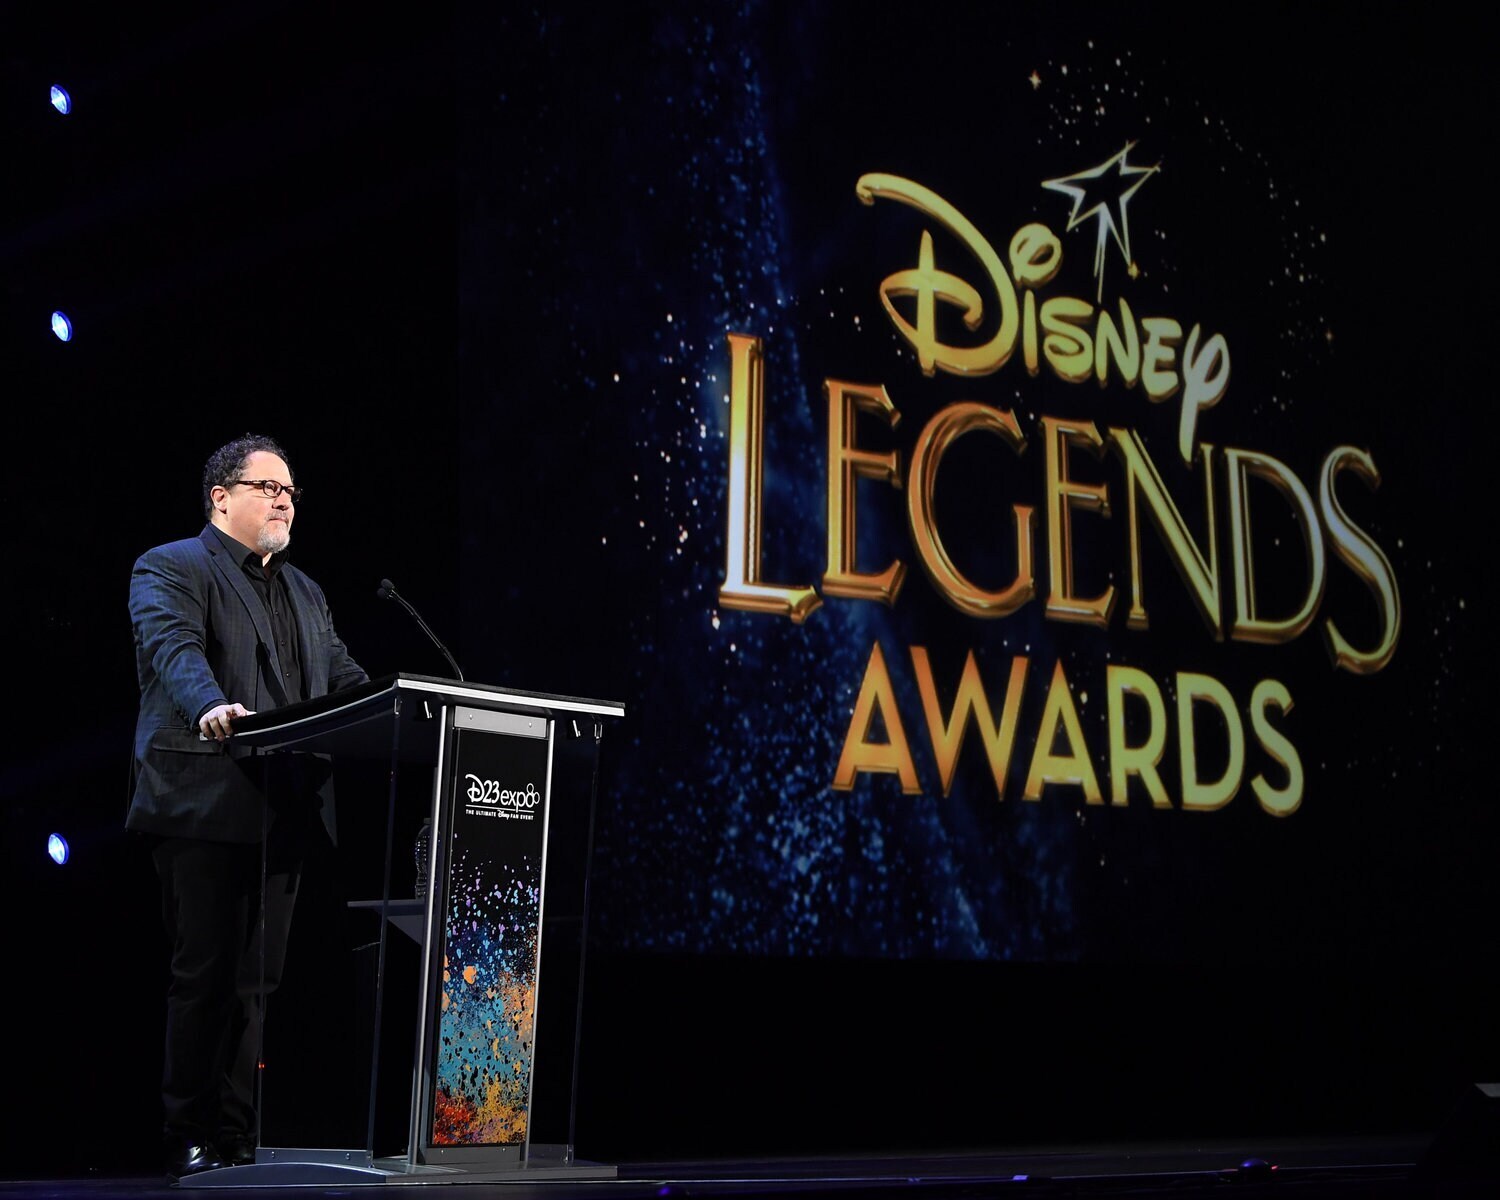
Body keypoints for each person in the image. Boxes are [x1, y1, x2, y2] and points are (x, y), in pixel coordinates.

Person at [127, 433, 368, 1181]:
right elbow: (175, 653)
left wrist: (410, 712)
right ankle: (186, 1132)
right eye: (268, 487)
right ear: (220, 496)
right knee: (204, 975)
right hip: (204, 800)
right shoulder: (170, 565)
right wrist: (209, 705)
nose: (285, 499)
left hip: (284, 812)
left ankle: (235, 1138)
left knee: (257, 987)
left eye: (290, 489)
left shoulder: (304, 590)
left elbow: (342, 677)